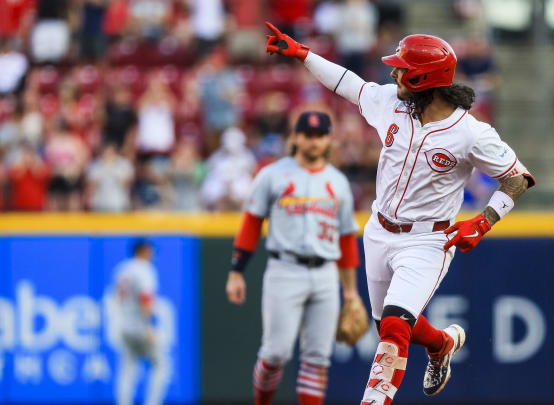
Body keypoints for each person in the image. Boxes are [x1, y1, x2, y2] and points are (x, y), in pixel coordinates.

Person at [263, 22, 535, 403]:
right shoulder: (391, 101)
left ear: (424, 78)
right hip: (379, 229)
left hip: (428, 239)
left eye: (402, 68)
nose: (394, 73)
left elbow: (518, 178)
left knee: (394, 324)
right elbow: (348, 84)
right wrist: (303, 53)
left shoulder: (470, 133)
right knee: (387, 325)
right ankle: (441, 343)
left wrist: (485, 220)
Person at [225, 111, 365, 405]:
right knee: (275, 353)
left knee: (317, 357)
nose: (314, 142)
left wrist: (351, 292)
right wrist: (236, 271)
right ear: (296, 137)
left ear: (328, 139)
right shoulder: (273, 174)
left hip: (326, 272)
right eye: (308, 135)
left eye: (320, 135)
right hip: (284, 268)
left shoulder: (338, 182)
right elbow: (251, 223)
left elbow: (346, 239)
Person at [111, 240, 170, 405]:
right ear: (143, 251)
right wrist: (148, 326)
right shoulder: (144, 269)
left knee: (128, 369)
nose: (152, 255)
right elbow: (145, 299)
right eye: (150, 251)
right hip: (140, 326)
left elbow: (115, 298)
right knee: (162, 365)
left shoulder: (122, 269)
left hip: (123, 325)